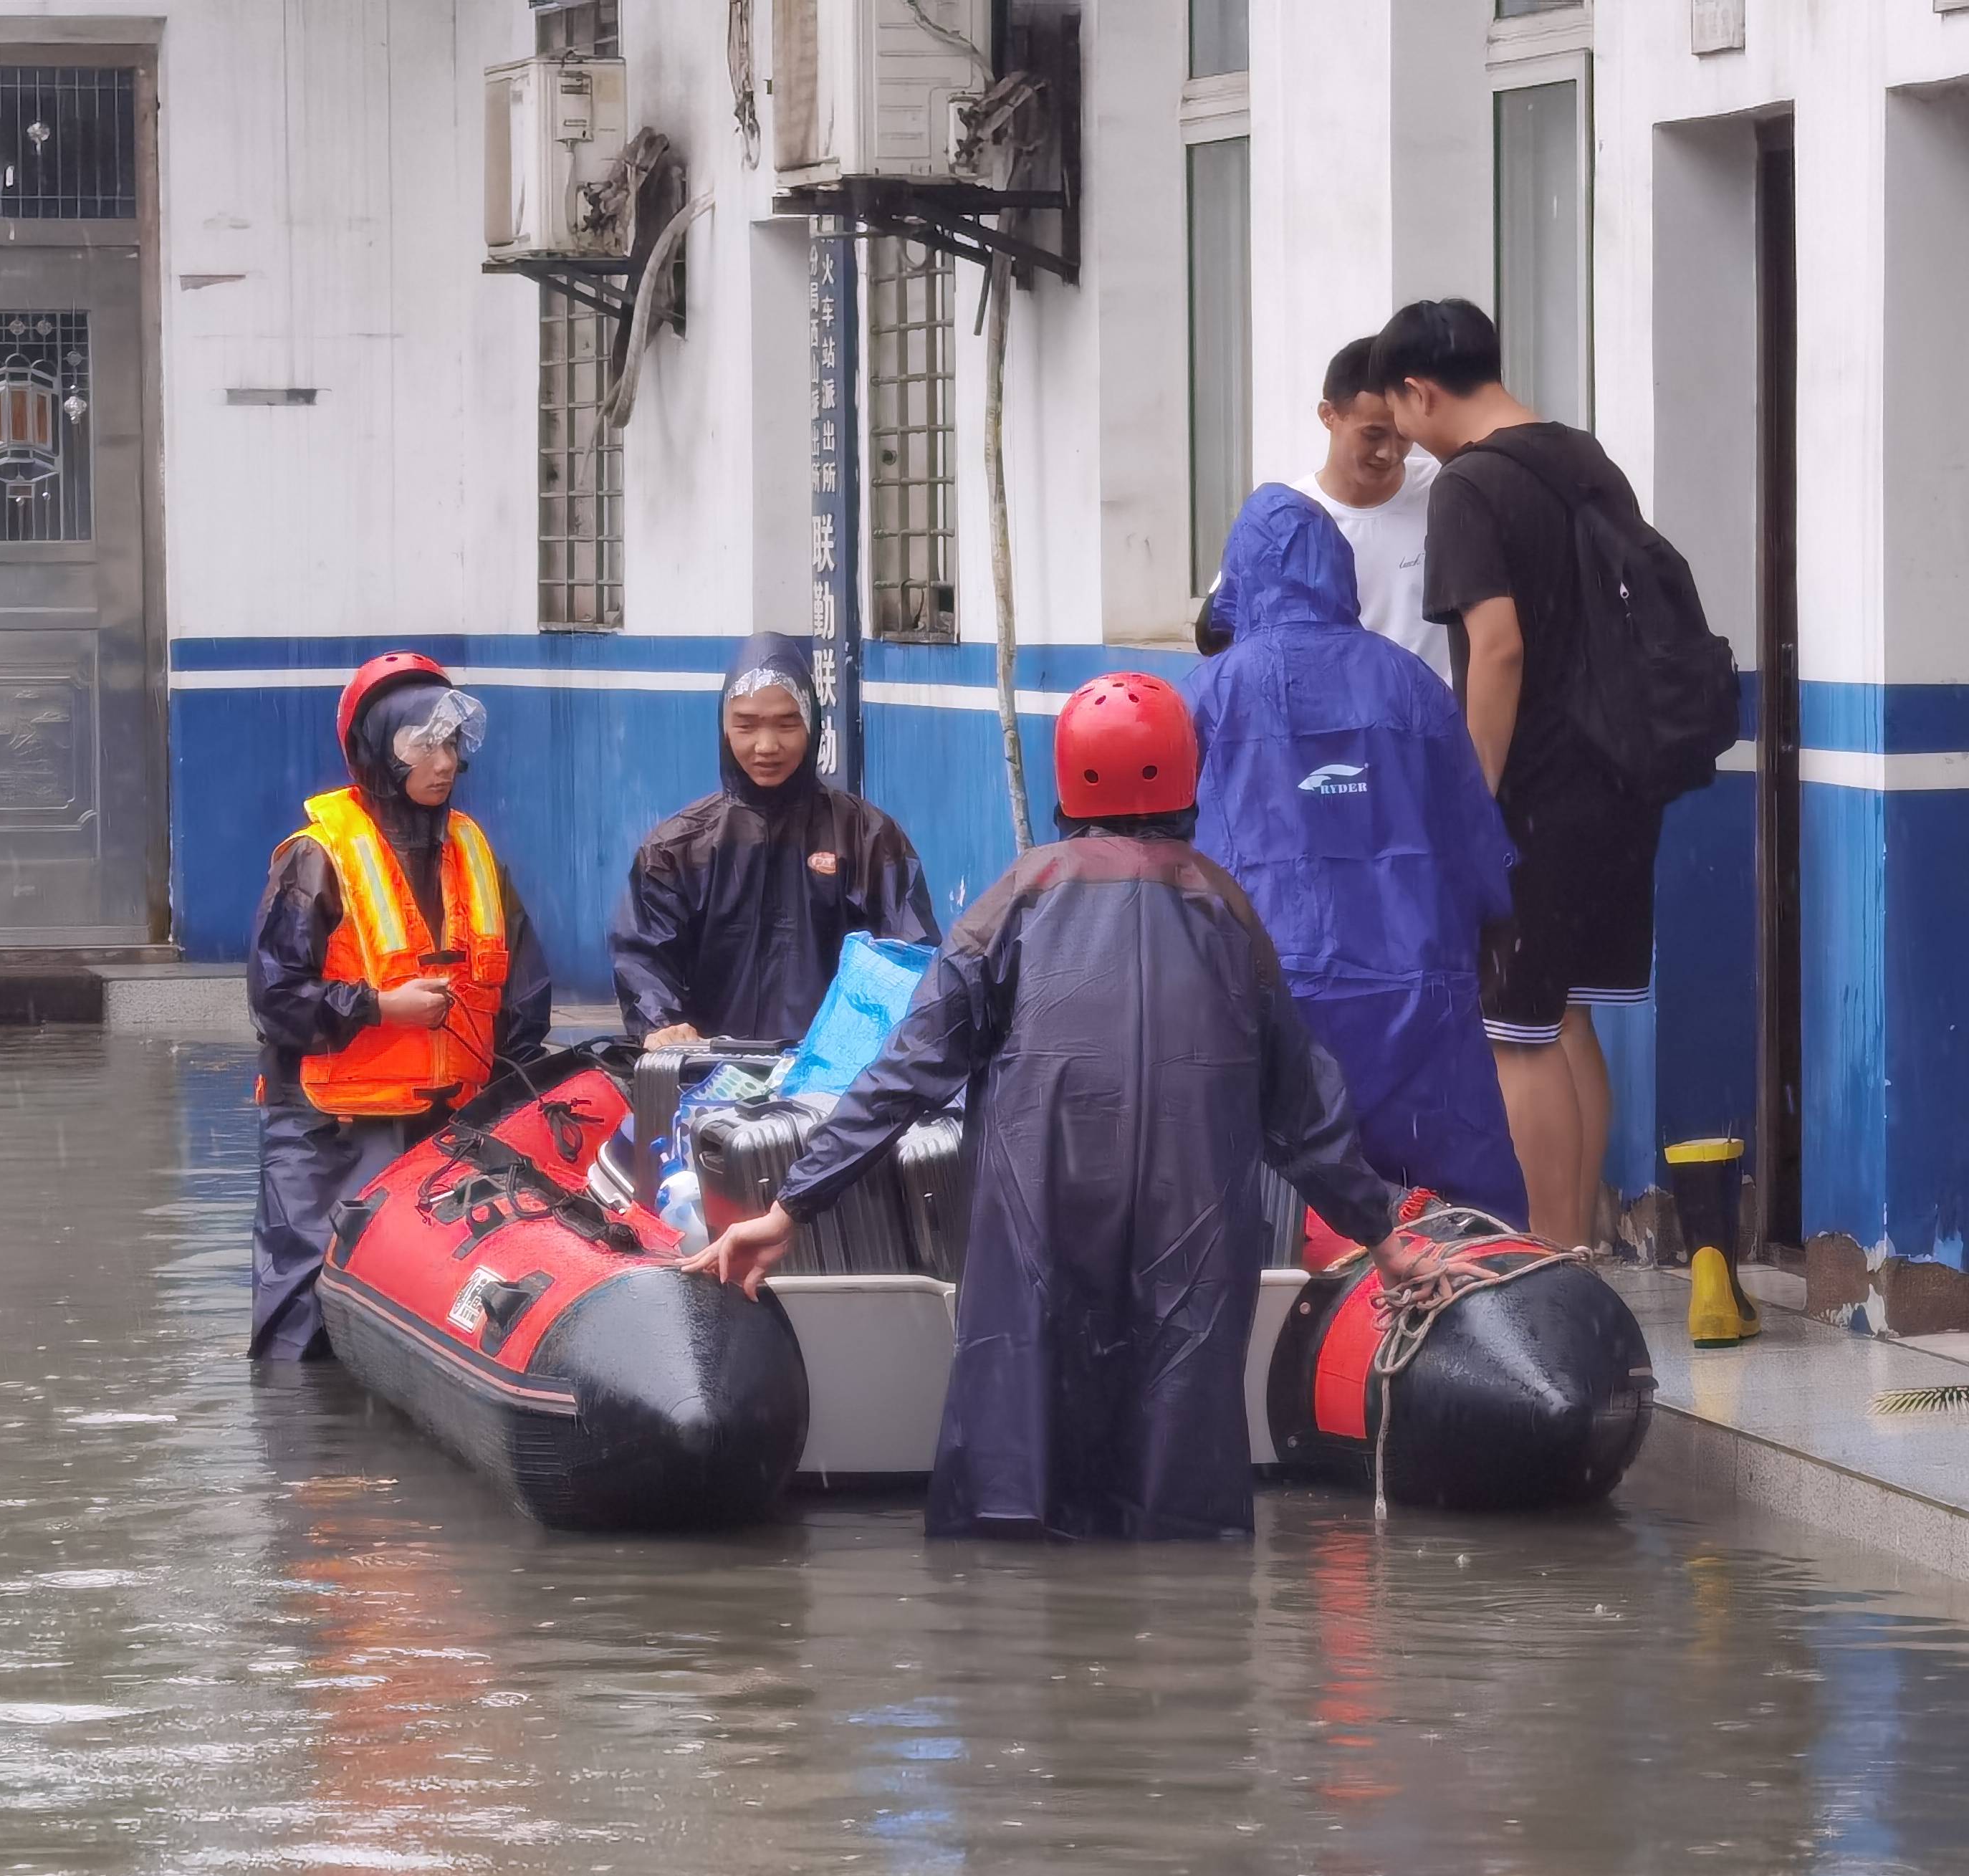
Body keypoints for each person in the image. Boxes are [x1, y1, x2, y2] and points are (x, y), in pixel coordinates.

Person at [689, 672, 1404, 1541]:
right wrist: (1384, 1234)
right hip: (1194, 1235)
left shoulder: (1016, 900)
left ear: (1068, 779)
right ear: (1186, 777)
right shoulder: (1225, 908)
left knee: (1013, 1469)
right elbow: (1302, 1105)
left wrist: (792, 1205)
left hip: (1037, 1227)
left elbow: (904, 1073)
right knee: (1180, 1491)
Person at [1377, 297, 1662, 1250]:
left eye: (1403, 417)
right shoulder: (1587, 458)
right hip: (1620, 783)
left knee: (1515, 1035)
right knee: (1567, 1018)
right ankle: (1576, 1248)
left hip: (1535, 797)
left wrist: (1472, 799)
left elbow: (1495, 649)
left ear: (1421, 392)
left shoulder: (1470, 486)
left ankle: (1543, 1256)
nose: (1408, 442)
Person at [1189, 484, 1527, 1222]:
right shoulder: (1412, 684)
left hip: (1266, 998)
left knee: (1272, 1212)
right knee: (1458, 1215)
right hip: (1416, 997)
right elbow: (1477, 850)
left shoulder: (1209, 693)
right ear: (1338, 570)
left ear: (1240, 578)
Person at [247, 652, 555, 1359]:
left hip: (451, 1126)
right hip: (331, 1131)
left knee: (440, 1316)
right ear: (378, 752)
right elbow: (275, 999)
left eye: (451, 744)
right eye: (422, 745)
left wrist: (512, 1099)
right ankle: (304, 1457)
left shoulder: (471, 850)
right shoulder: (315, 858)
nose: (442, 762)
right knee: (303, 1313)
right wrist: (378, 1007)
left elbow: (523, 993)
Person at [609, 631, 936, 1048]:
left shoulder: (868, 837)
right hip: (706, 1074)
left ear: (813, 726)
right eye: (746, 725)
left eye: (787, 724)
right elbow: (643, 957)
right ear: (724, 728)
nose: (767, 746)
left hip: (836, 1083)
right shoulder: (676, 849)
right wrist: (661, 1025)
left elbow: (910, 960)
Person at [1204, 336, 1449, 680]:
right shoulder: (1285, 521)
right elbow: (1223, 636)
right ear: (1328, 415)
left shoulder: (1446, 490)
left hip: (1438, 725)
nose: (1390, 453)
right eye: (1373, 434)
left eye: (1403, 435)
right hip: (1344, 728)